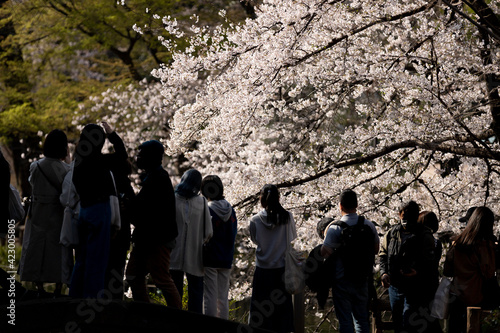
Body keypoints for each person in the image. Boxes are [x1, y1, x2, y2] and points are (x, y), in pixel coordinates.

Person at [70, 123, 127, 298]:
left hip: (84, 211)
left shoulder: (78, 162)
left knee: (82, 260)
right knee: (97, 261)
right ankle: (90, 300)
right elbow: (122, 155)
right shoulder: (100, 162)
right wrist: (112, 134)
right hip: (99, 211)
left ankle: (74, 298)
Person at [125, 140, 181, 308]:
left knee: (161, 279)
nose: (137, 158)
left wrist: (129, 205)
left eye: (140, 155)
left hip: (157, 240)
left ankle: (178, 319)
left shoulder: (158, 178)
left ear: (151, 157)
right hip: (147, 239)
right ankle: (145, 313)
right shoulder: (154, 176)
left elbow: (147, 210)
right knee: (134, 275)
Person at [18, 129, 71, 297]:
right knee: (58, 249)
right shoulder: (66, 169)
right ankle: (58, 286)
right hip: (58, 213)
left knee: (36, 247)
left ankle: (38, 285)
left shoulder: (36, 166)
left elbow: (32, 183)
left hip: (38, 212)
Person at [320, 189, 379, 333]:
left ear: (340, 206)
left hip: (342, 280)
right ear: (357, 205)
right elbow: (376, 249)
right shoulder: (368, 225)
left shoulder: (335, 228)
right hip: (362, 279)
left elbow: (324, 252)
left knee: (345, 321)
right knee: (361, 320)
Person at [379, 201, 436, 333]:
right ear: (399, 215)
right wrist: (384, 273)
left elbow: (430, 263)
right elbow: (382, 255)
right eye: (404, 216)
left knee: (408, 322)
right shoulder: (391, 234)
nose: (406, 220)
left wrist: (418, 272)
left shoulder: (425, 236)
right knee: (398, 323)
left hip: (415, 288)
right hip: (395, 286)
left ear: (416, 217)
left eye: (410, 216)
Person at [443, 206, 499, 333]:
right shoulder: (488, 248)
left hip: (458, 298)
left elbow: (447, 271)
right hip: (481, 298)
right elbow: (489, 272)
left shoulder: (457, 244)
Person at [248, 184, 295, 333]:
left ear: (262, 200)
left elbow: (255, 240)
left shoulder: (255, 220)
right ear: (278, 198)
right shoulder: (287, 217)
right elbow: (292, 237)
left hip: (262, 270)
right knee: (282, 313)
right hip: (281, 270)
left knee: (261, 312)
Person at [170, 169, 212, 313]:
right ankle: (194, 326)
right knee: (195, 292)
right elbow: (208, 231)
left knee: (175, 291)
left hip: (174, 252)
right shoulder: (202, 202)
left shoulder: (173, 199)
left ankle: (174, 323)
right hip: (195, 253)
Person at [201, 175, 238, 319]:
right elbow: (233, 232)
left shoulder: (208, 210)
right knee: (223, 296)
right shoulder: (231, 210)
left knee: (210, 295)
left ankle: (210, 327)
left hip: (211, 257)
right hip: (226, 257)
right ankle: (224, 326)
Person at [417, 211, 443, 333]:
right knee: (430, 316)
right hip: (432, 282)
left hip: (419, 281)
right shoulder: (437, 242)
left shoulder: (417, 241)